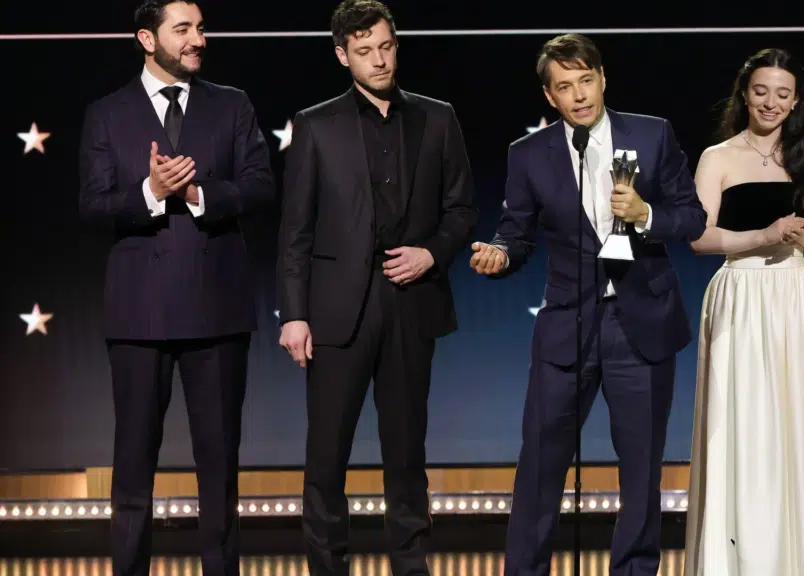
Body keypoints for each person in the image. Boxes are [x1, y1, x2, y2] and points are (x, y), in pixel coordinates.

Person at [470, 33, 707, 576]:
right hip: (567, 327)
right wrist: (501, 254)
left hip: (640, 325)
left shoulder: (650, 136)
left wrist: (647, 212)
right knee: (539, 469)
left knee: (641, 471)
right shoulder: (528, 155)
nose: (578, 95)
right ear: (549, 97)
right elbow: (517, 233)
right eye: (564, 87)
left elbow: (691, 218)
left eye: (585, 80)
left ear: (603, 79)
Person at [276, 1, 477, 573]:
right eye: (364, 51)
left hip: (412, 305)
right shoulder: (315, 125)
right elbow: (295, 229)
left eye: (385, 46)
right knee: (326, 458)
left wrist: (431, 253)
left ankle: (411, 566)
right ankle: (326, 566)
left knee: (407, 454)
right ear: (342, 55)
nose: (379, 59)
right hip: (336, 310)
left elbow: (462, 209)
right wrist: (294, 314)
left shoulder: (437, 118)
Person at [77, 1, 275, 574]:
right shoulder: (107, 113)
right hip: (139, 315)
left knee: (219, 468)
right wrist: (148, 191)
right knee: (133, 466)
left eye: (201, 28)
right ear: (147, 38)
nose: (198, 40)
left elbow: (261, 188)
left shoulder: (231, 105)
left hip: (217, 312)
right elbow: (92, 206)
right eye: (183, 29)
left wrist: (196, 195)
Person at [682, 48, 804, 576]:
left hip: (797, 296)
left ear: (795, 102)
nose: (771, 102)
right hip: (739, 295)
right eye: (762, 91)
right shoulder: (717, 156)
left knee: (799, 423)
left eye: (783, 94)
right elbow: (698, 236)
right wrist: (763, 235)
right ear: (746, 93)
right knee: (739, 425)